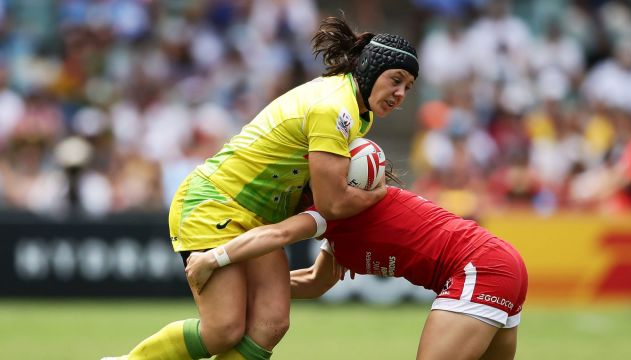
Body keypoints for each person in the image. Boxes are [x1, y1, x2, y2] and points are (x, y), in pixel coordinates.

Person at [105, 16, 419, 360]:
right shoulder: (334, 108)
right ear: (371, 71)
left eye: (408, 87)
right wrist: (376, 196)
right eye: (396, 80)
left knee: (271, 322)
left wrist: (338, 232)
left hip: (260, 216)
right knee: (223, 329)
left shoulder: (360, 113)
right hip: (216, 201)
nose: (400, 94)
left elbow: (315, 192)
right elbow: (331, 204)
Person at [186, 184, 528, 360]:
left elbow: (278, 234)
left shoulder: (337, 209)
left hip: (480, 269)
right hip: (500, 265)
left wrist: (213, 260)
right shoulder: (342, 229)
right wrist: (238, 291)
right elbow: (313, 282)